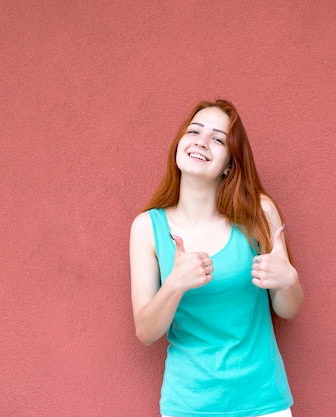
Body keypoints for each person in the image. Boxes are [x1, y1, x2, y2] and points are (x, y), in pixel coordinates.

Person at [129, 99, 304, 417]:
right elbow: (146, 331)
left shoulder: (259, 212)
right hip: (189, 406)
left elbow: (287, 309)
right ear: (179, 145)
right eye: (194, 131)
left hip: (263, 402)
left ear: (229, 164)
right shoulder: (147, 227)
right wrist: (174, 285)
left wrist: (288, 280)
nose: (201, 141)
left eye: (218, 138)